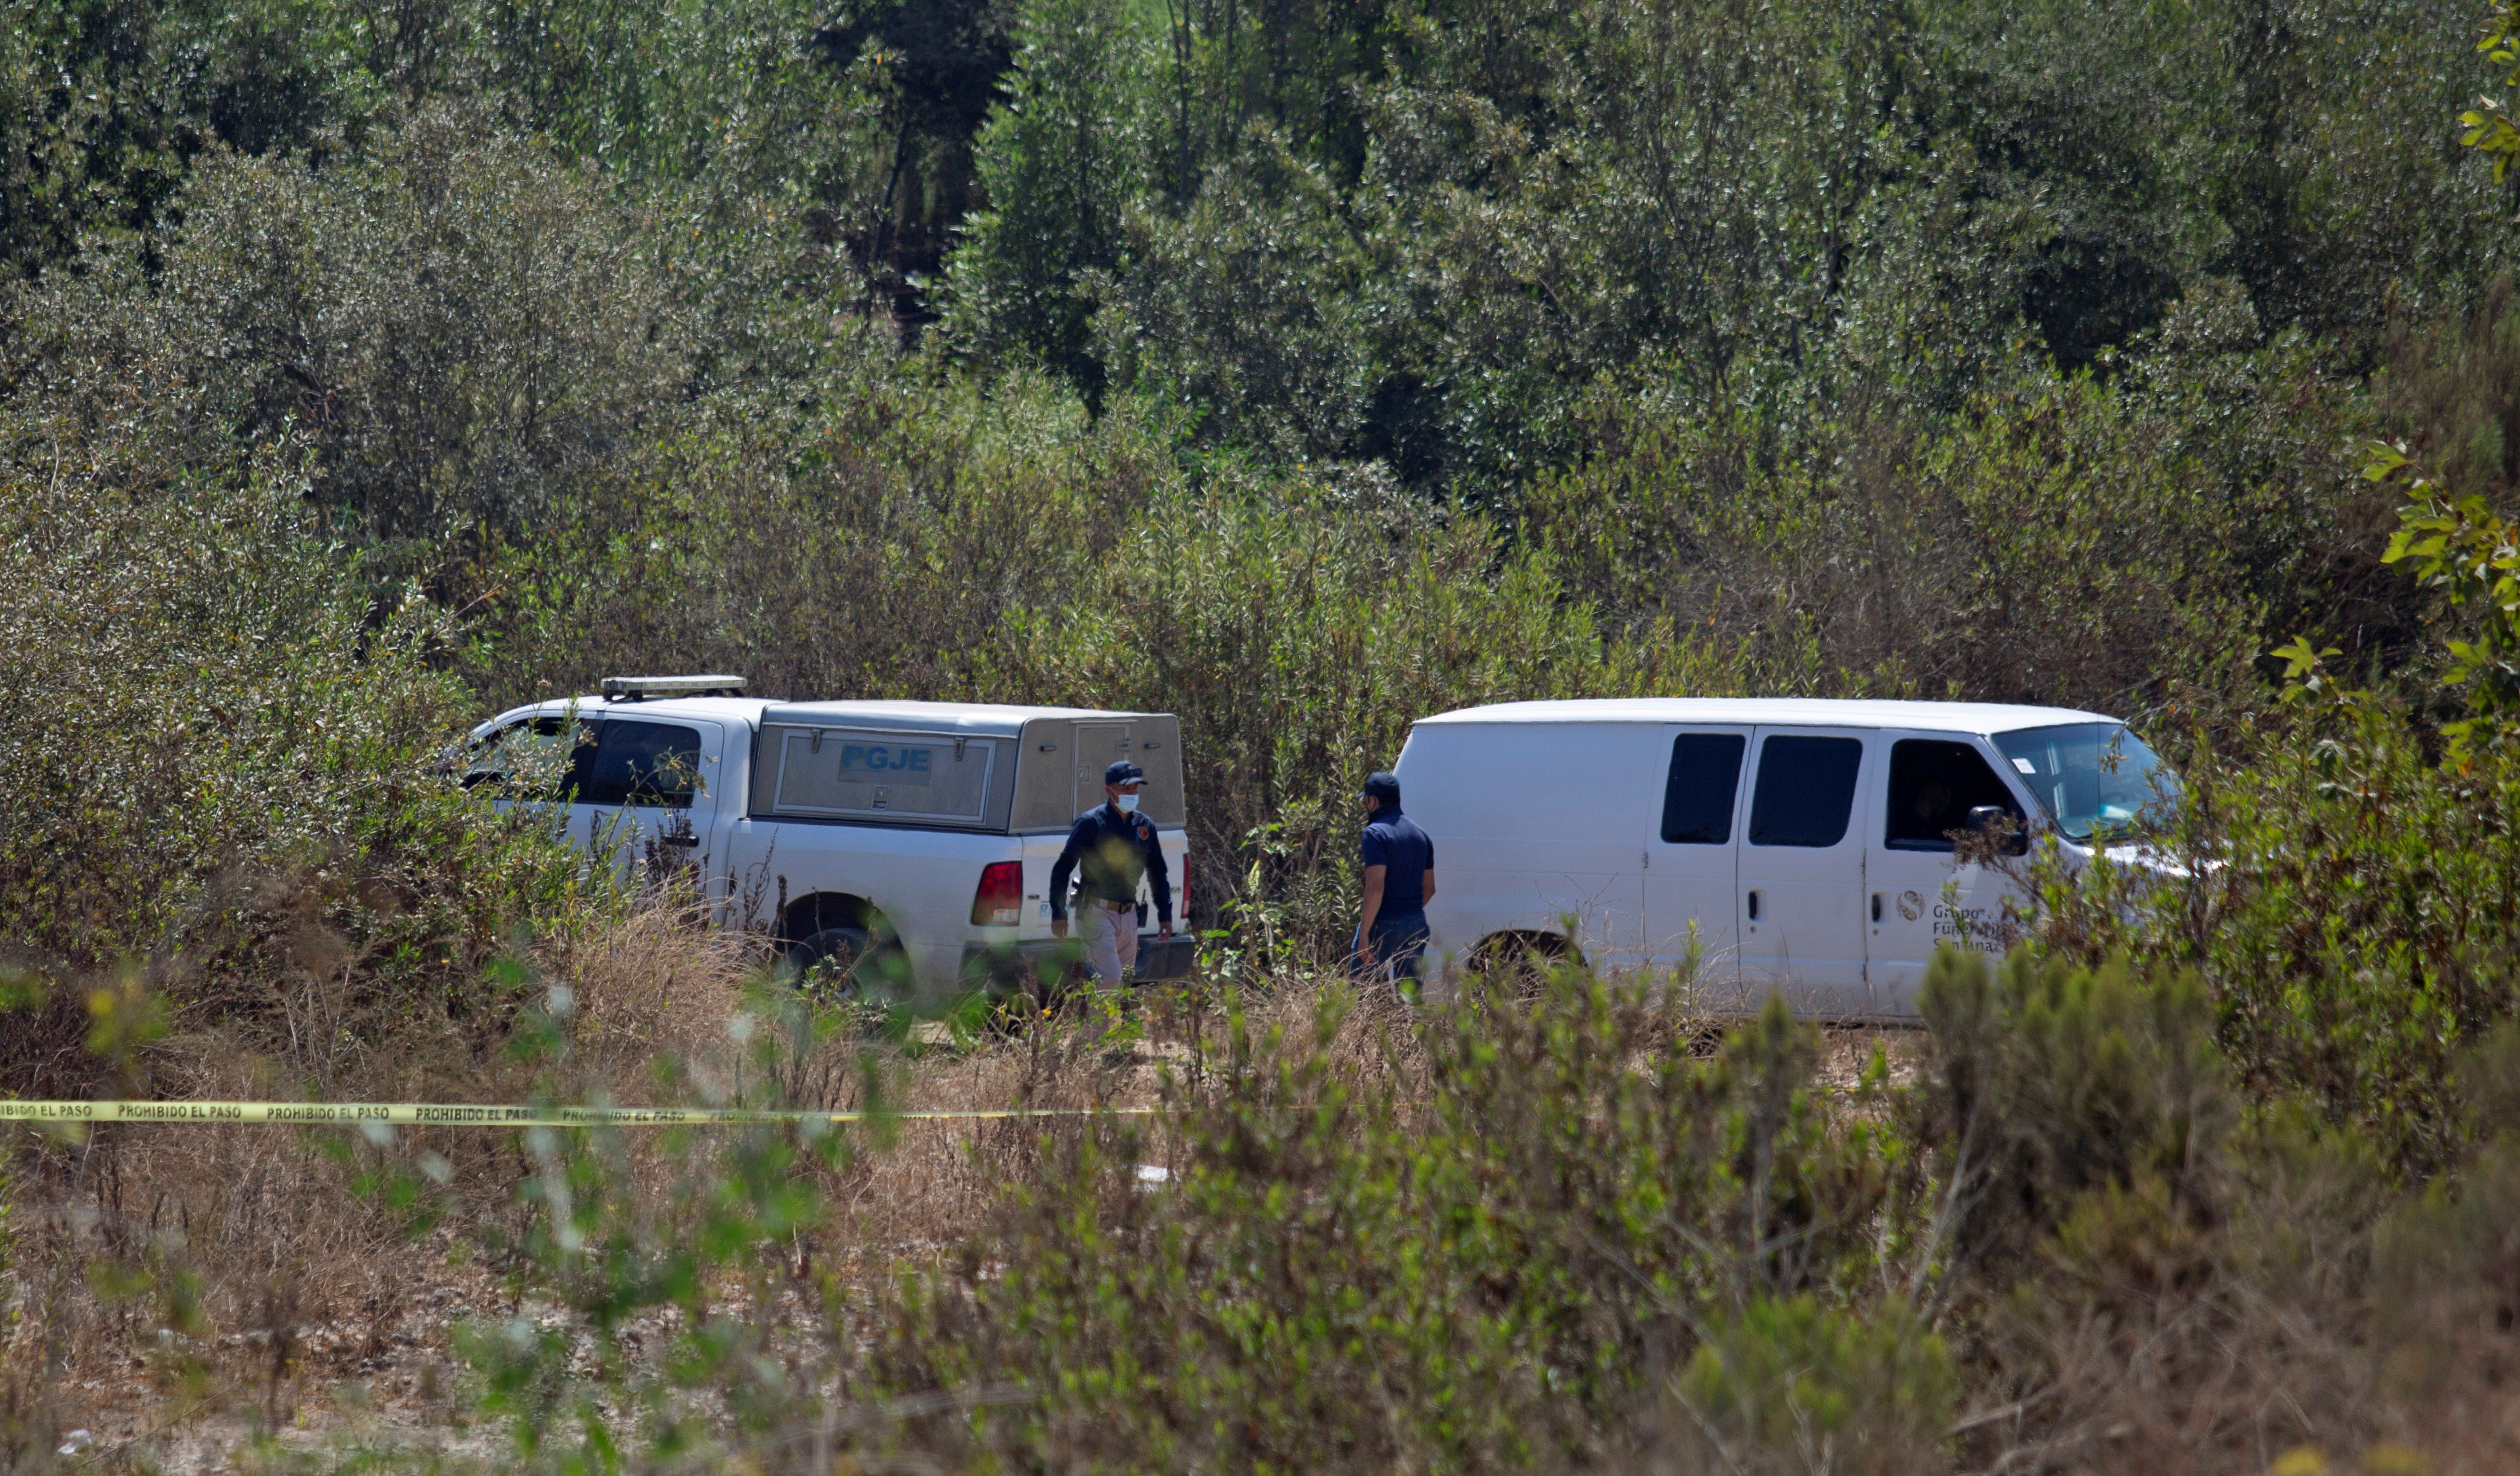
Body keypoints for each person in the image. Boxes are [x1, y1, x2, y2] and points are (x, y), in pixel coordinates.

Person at [1049, 759, 1175, 984]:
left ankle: (1094, 1010)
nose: (1132, 794)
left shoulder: (1144, 826)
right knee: (1111, 979)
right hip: (1096, 912)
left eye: (1135, 788)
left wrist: (1165, 915)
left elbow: (1157, 872)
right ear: (1109, 790)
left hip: (1129, 915)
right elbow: (1062, 868)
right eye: (1126, 789)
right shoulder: (1091, 823)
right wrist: (1059, 913)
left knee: (1123, 983)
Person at [1353, 771, 1436, 983]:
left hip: (1383, 923)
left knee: (1361, 990)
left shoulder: (1375, 834)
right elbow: (1430, 889)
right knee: (1409, 994)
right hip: (1416, 923)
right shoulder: (1420, 834)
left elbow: (1376, 887)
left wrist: (1364, 934)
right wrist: (1407, 912)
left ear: (1372, 801)